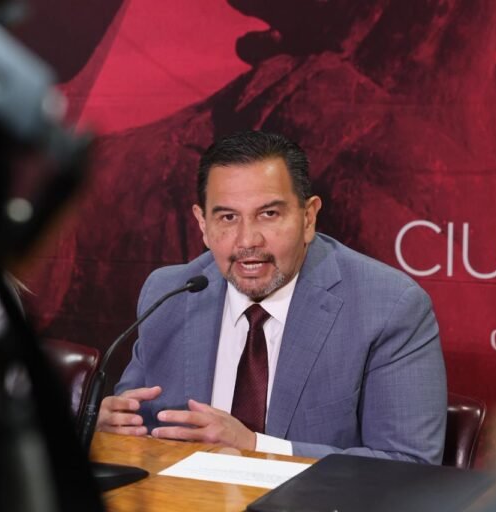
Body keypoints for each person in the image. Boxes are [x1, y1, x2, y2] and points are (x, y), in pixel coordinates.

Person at [97, 130, 447, 462]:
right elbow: (134, 419)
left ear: (308, 218)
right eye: (228, 217)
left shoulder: (388, 307)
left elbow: (408, 464)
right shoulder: (169, 294)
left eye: (268, 214)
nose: (248, 240)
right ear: (202, 224)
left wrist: (254, 446)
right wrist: (112, 427)